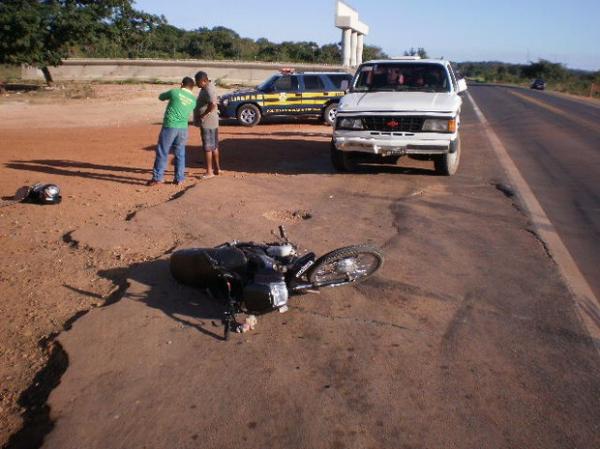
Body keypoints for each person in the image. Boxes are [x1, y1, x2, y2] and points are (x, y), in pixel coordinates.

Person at [148, 77, 197, 186]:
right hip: (183, 128)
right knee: (180, 153)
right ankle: (179, 178)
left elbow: (161, 97)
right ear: (192, 88)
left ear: (182, 84)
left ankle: (158, 177)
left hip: (170, 126)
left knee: (162, 151)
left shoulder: (175, 92)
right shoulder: (193, 100)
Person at [194, 71, 221, 178]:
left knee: (208, 147)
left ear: (204, 81)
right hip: (212, 122)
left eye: (198, 82)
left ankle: (209, 172)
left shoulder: (208, 89)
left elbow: (213, 104)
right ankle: (217, 169)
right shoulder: (208, 87)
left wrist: (203, 115)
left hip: (208, 123)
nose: (197, 84)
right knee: (214, 146)